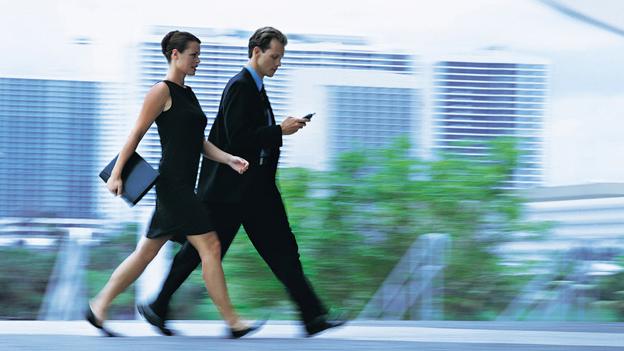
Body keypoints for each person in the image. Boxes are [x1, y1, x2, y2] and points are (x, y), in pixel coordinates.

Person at [138, 26, 346, 337]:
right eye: (275, 57)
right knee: (205, 252)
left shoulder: (255, 87)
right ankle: (159, 306)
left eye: (281, 58)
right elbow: (237, 138)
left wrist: (279, 132)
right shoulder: (240, 87)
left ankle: (312, 316)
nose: (278, 63)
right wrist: (280, 130)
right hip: (230, 192)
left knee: (280, 251)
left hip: (251, 191)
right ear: (256, 52)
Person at [85, 30, 259, 339]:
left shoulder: (188, 94)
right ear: (174, 55)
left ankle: (99, 305)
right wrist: (117, 174)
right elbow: (136, 133)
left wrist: (229, 158)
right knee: (211, 246)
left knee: (146, 253)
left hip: (181, 187)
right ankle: (233, 321)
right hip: (173, 187)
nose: (198, 60)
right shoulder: (160, 91)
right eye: (193, 54)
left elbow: (198, 142)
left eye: (199, 55)